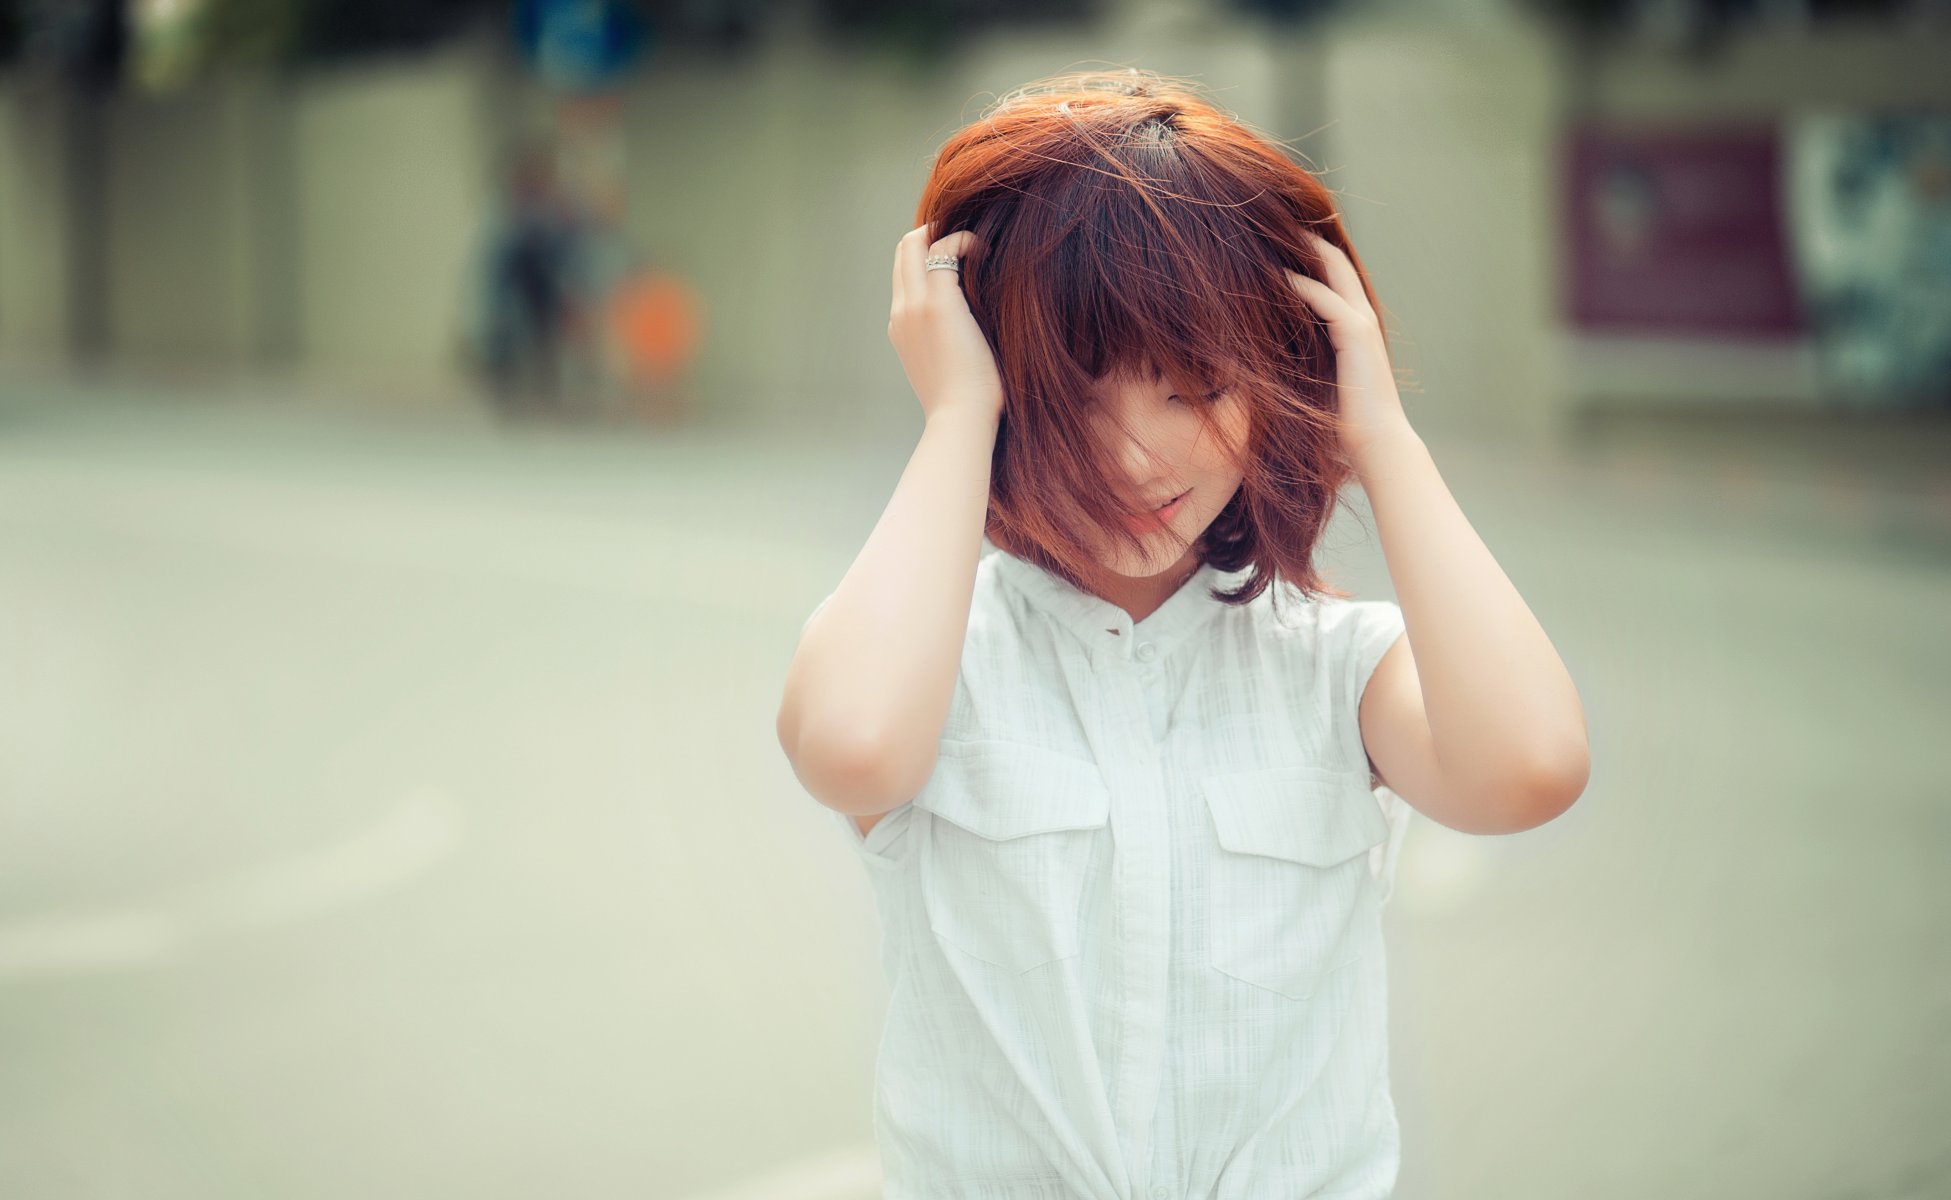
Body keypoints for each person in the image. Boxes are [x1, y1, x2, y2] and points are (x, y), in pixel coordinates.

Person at [776, 69, 1591, 1199]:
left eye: (1192, 386)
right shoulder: (934, 661)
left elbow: (1530, 769)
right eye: (1077, 394)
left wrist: (1380, 431)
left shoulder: (1334, 671)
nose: (1135, 456)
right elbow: (851, 748)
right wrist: (955, 415)